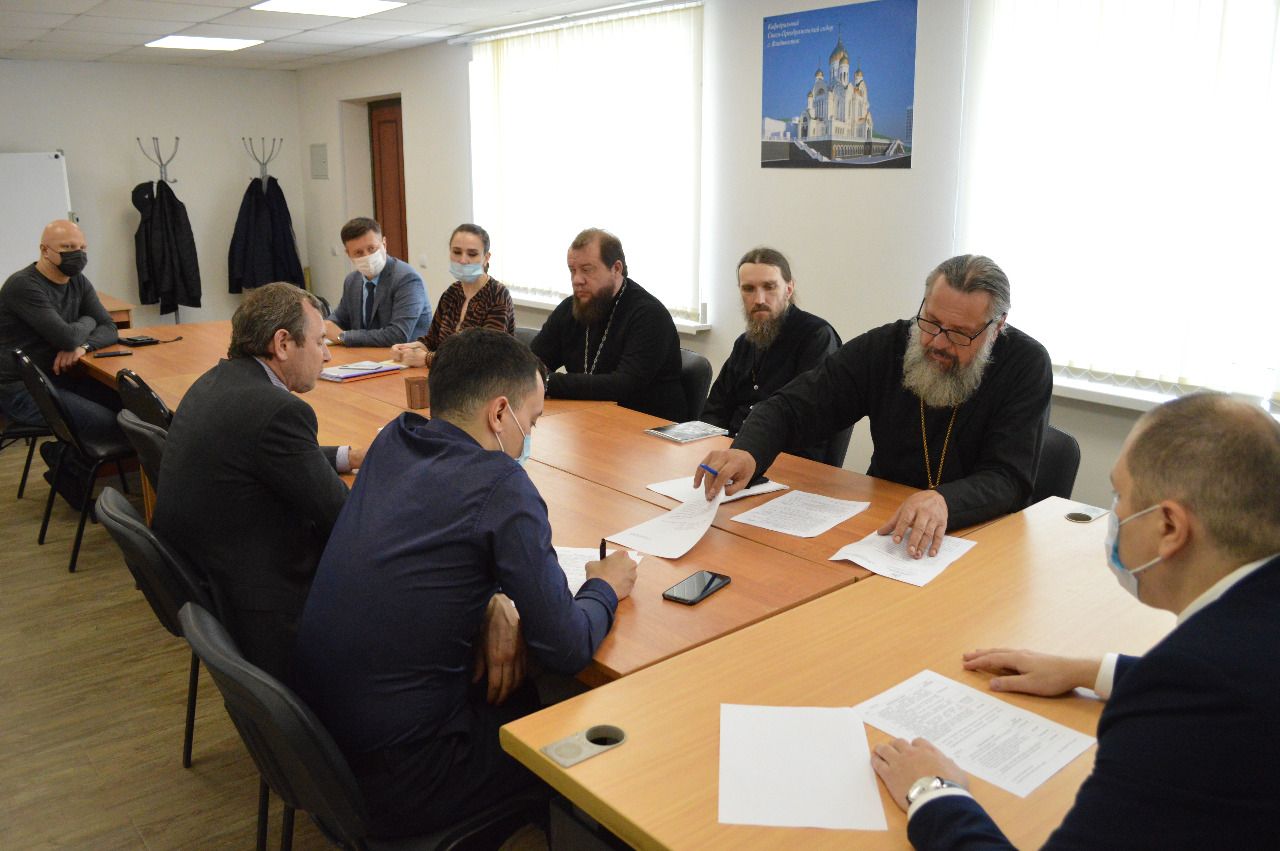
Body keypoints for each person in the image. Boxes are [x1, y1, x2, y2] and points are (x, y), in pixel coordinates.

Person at [870, 392, 1280, 849]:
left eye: (1120, 496)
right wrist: (1093, 672)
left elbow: (1207, 691)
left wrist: (932, 792)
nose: (1114, 513)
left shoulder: (1192, 694)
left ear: (1169, 527)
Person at [294, 328, 637, 838]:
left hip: (321, 747)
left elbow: (432, 553)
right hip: (405, 778)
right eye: (532, 421)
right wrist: (604, 587)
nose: (530, 436)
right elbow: (566, 646)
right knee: (579, 726)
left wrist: (491, 599)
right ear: (500, 414)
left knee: (512, 686)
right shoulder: (501, 485)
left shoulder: (394, 440)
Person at [696, 254, 1052, 557]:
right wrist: (748, 451)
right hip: (885, 529)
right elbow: (793, 405)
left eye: (959, 333)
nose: (938, 343)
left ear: (997, 327)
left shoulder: (1026, 364)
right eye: (931, 322)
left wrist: (945, 500)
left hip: (977, 537)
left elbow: (1009, 478)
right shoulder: (888, 346)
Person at [153, 283, 365, 682]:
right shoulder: (278, 410)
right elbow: (342, 515)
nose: (327, 354)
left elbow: (266, 454)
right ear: (282, 343)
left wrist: (347, 457)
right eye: (320, 341)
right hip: (262, 597)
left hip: (208, 576)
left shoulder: (218, 380)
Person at [701, 247, 841, 462]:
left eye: (769, 287)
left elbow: (807, 421)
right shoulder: (744, 343)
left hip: (784, 460)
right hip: (731, 454)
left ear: (789, 289)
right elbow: (715, 410)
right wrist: (704, 447)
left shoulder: (816, 337)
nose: (759, 299)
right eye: (749, 289)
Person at [529, 228, 685, 421]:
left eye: (587, 270)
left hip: (646, 425)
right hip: (588, 419)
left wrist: (547, 382)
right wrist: (534, 377)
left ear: (616, 269)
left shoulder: (649, 315)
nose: (577, 280)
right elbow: (528, 364)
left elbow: (623, 385)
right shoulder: (571, 308)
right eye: (572, 270)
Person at [0, 219, 121, 443]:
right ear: (45, 250)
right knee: (106, 423)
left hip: (59, 378)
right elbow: (67, 338)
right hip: (22, 389)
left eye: (82, 248)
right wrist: (88, 320)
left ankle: (66, 458)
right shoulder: (23, 285)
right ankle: (62, 460)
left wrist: (83, 347)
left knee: (129, 405)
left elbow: (110, 327)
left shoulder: (78, 281)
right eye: (67, 247)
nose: (77, 254)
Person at [388, 223, 515, 368]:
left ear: (486, 258)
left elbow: (485, 355)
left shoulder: (498, 294)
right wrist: (408, 348)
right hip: (446, 375)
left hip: (485, 378)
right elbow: (432, 340)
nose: (463, 260)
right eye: (457, 252)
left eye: (472, 254)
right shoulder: (452, 292)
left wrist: (427, 359)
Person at [322, 217, 431, 347]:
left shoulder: (407, 279)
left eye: (372, 248)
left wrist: (343, 336)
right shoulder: (352, 281)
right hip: (364, 356)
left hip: (404, 356)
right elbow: (338, 320)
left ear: (384, 244)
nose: (367, 256)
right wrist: (326, 326)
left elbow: (398, 335)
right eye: (358, 252)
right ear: (348, 254)